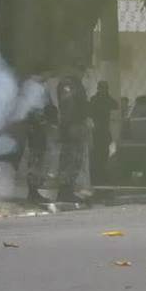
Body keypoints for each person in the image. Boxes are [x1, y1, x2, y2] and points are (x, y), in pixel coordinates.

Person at [54, 73, 89, 203]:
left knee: (75, 160)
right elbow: (67, 105)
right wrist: (69, 126)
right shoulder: (68, 83)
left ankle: (68, 190)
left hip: (75, 125)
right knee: (70, 160)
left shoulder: (75, 82)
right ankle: (65, 192)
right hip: (72, 126)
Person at [88, 81, 117, 184]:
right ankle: (98, 173)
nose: (104, 90)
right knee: (98, 152)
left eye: (105, 88)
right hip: (97, 129)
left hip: (105, 129)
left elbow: (115, 106)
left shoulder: (108, 99)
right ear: (98, 88)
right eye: (102, 88)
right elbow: (90, 112)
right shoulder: (94, 99)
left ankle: (102, 172)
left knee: (105, 151)